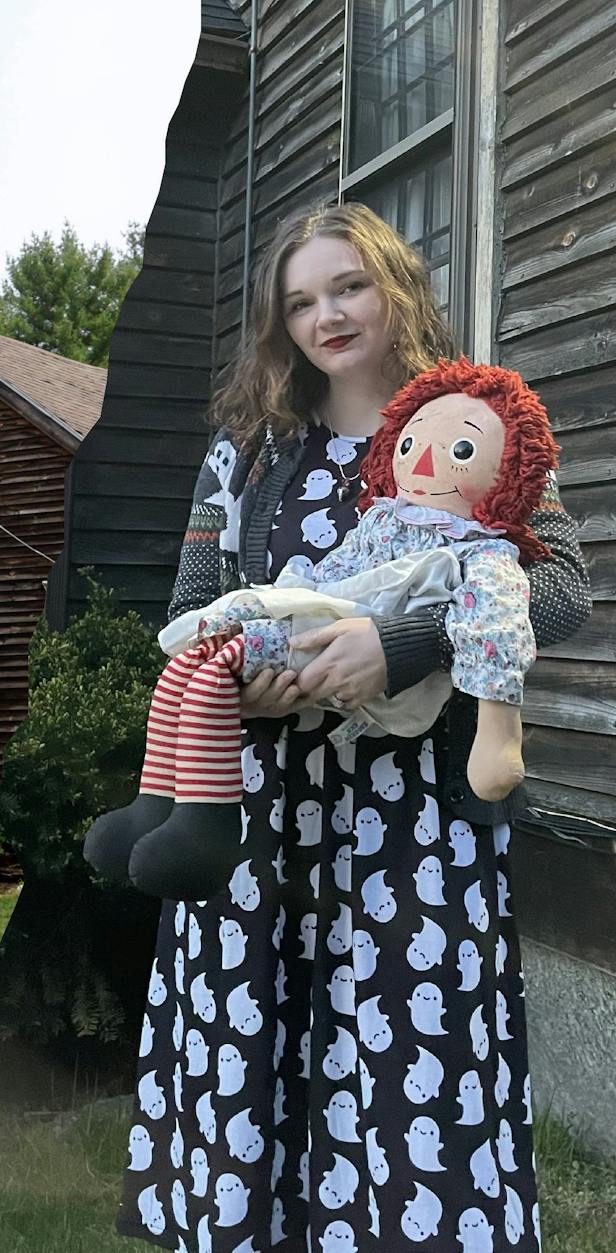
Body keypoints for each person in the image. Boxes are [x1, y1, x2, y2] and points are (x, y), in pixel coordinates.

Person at [110, 203, 588, 1251]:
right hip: (256, 820)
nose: (324, 315)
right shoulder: (245, 454)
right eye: (299, 302)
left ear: (394, 286)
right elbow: (190, 605)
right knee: (258, 1051)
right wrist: (241, 684)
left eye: (347, 286)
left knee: (412, 1058)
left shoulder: (475, 422)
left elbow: (560, 591)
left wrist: (402, 644)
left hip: (413, 822)